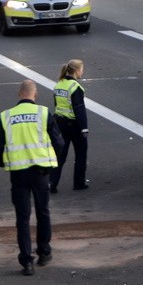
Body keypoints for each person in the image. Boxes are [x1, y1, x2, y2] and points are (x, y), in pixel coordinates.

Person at [0, 79, 63, 276]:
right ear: (35, 94)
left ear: (19, 93)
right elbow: (59, 142)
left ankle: (26, 260)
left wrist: (3, 163)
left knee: (22, 217)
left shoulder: (6, 116)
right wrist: (51, 162)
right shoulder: (43, 113)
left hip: (19, 173)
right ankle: (44, 252)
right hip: (40, 172)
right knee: (43, 211)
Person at [49, 59, 89, 193]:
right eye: (82, 69)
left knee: (60, 155)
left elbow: (57, 105)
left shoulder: (59, 85)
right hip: (74, 125)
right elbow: (79, 108)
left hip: (60, 123)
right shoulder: (75, 87)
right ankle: (79, 183)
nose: (83, 71)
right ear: (77, 71)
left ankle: (52, 183)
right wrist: (84, 127)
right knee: (81, 154)